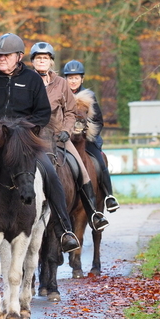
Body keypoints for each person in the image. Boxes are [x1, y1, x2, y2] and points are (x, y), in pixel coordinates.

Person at [0, 33, 81, 258]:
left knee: (51, 175)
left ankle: (64, 230)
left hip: (25, 142)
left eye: (6, 55)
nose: (1, 58)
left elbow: (42, 113)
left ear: (18, 56)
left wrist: (25, 132)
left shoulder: (31, 80)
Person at [30, 42, 109, 231]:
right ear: (32, 61)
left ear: (51, 61)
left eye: (45, 58)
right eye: (38, 58)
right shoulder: (26, 81)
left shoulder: (60, 84)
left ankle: (93, 212)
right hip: (33, 137)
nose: (42, 61)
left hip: (58, 137)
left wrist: (66, 130)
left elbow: (71, 112)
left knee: (82, 169)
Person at [63, 59, 120, 213]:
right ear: (65, 79)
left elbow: (99, 121)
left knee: (100, 163)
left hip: (87, 141)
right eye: (70, 78)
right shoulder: (61, 95)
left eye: (76, 78)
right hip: (65, 140)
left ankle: (109, 196)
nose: (73, 81)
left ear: (82, 79)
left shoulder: (90, 96)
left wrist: (89, 134)